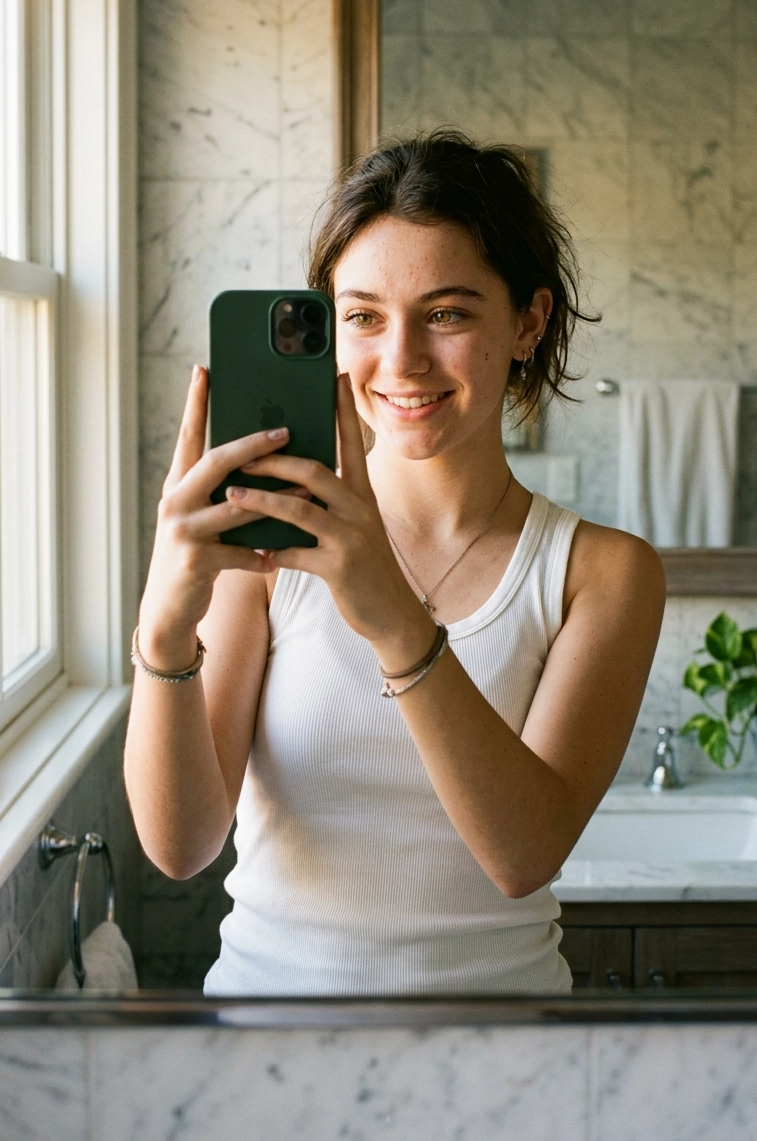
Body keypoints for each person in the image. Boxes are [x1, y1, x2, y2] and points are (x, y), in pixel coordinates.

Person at [125, 131, 666, 996]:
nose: (402, 360)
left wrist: (394, 620)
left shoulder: (599, 572)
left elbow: (523, 856)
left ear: (529, 320)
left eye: (447, 313)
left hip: (503, 1072)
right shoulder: (266, 545)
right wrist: (163, 622)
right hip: (270, 1063)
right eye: (365, 316)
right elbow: (180, 845)